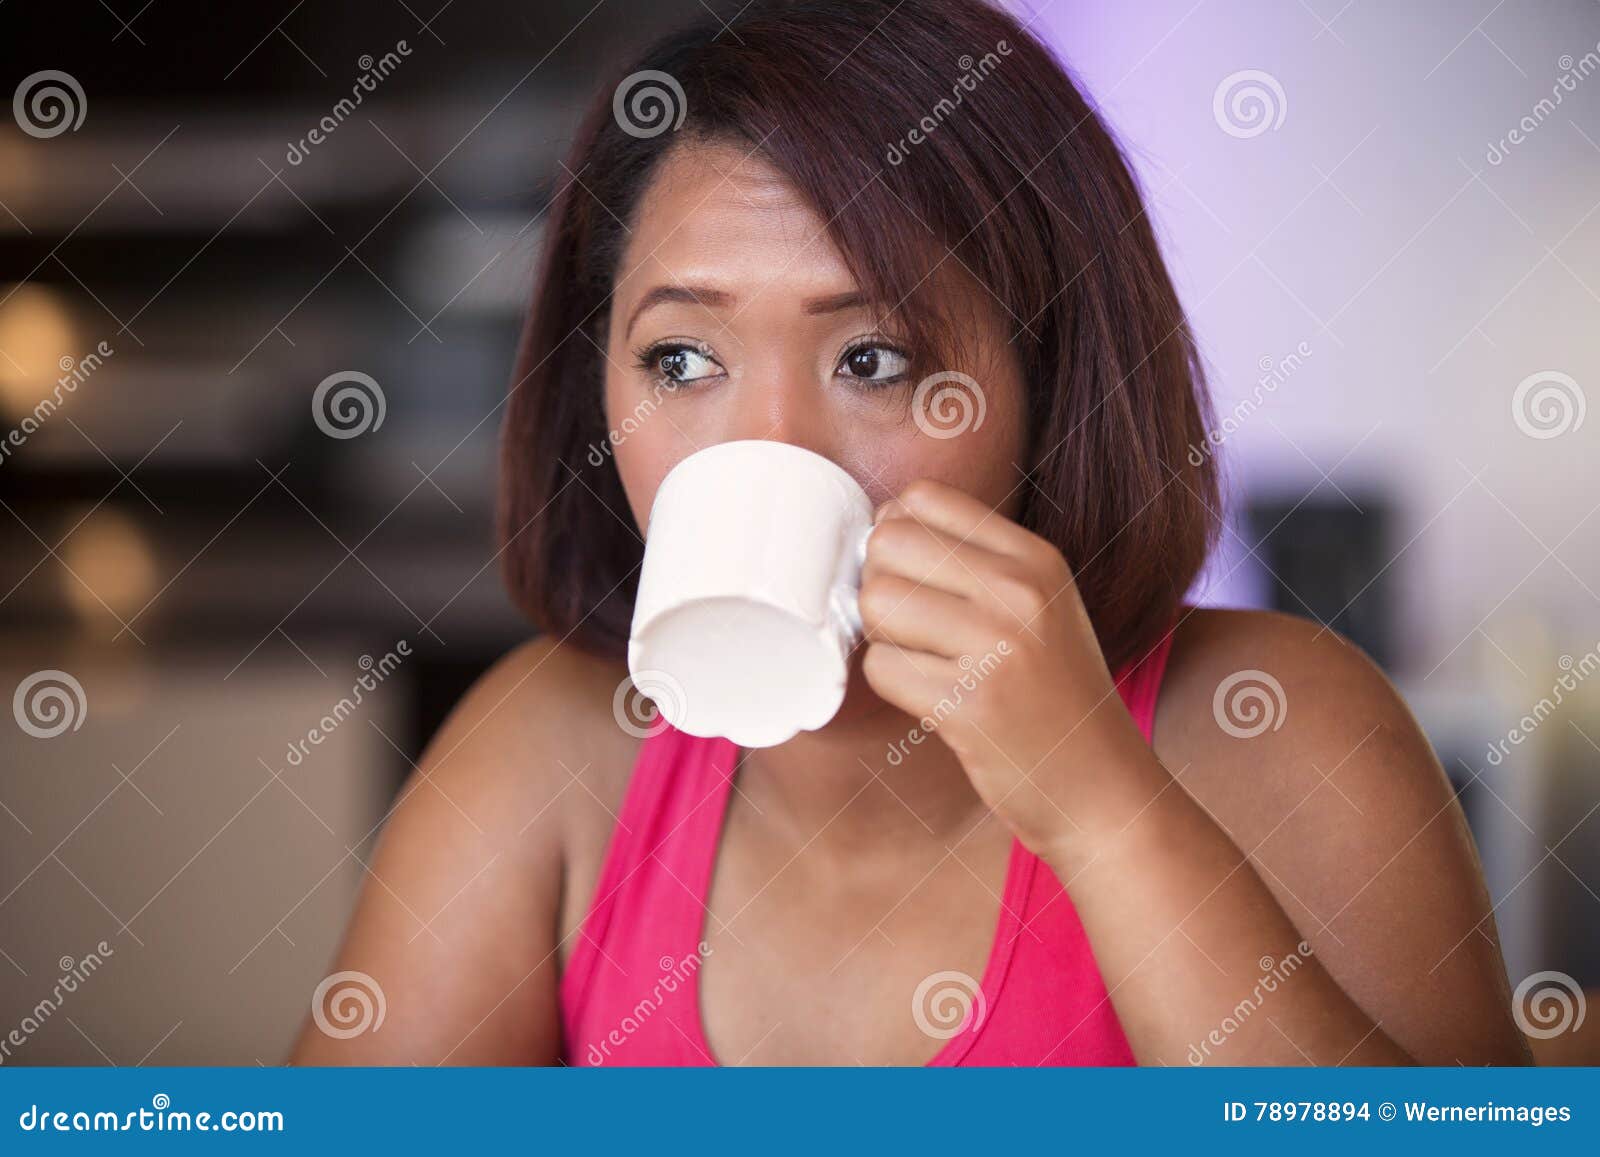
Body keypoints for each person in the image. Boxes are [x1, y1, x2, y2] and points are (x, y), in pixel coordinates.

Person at [292, 0, 1529, 1066]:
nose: (770, 443)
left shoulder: (1279, 729)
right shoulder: (554, 752)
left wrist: (1099, 805)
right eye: (681, 358)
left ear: (1052, 384)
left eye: (874, 359)